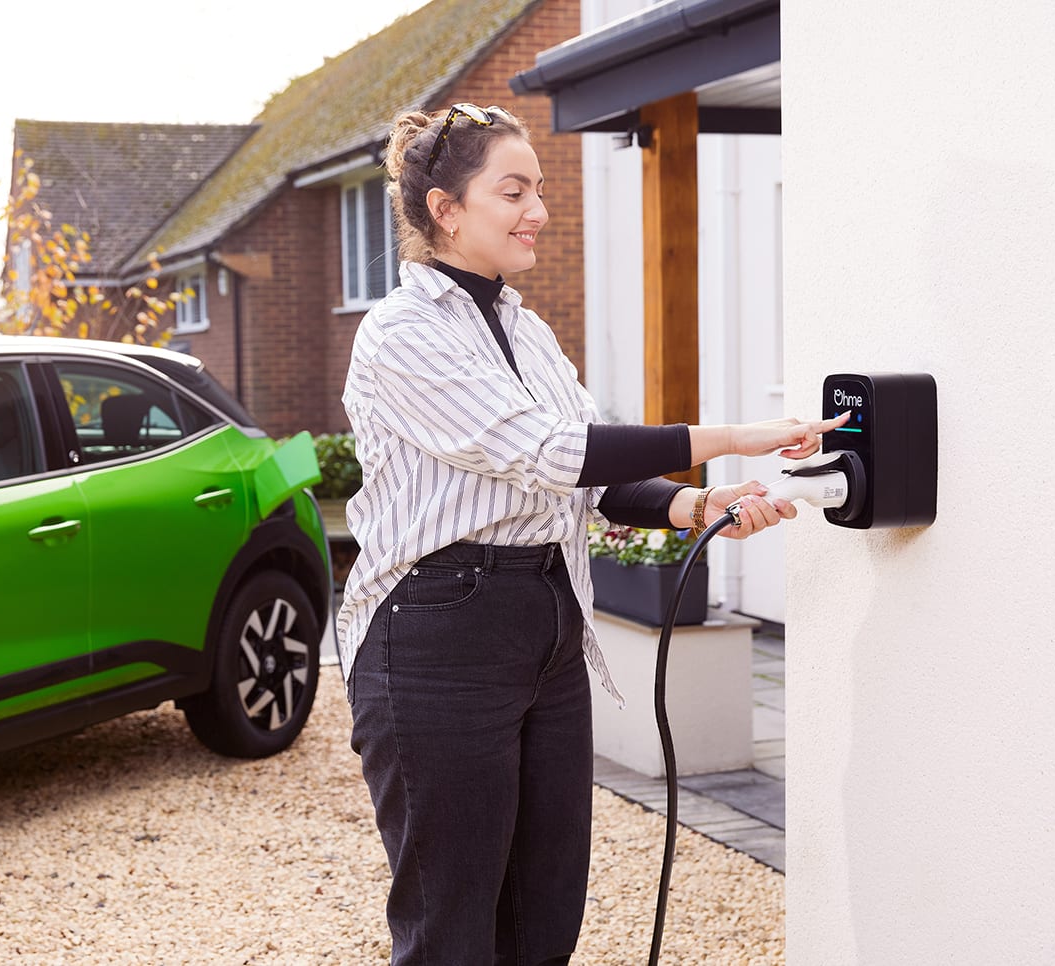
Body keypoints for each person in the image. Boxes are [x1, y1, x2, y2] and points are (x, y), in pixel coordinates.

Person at [336, 103, 847, 965]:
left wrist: (696, 507)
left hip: (546, 623)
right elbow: (544, 450)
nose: (539, 209)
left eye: (539, 189)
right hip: (434, 637)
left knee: (545, 912)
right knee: (451, 926)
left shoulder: (525, 328)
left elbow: (591, 478)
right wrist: (726, 435)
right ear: (444, 209)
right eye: (515, 191)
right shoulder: (398, 336)